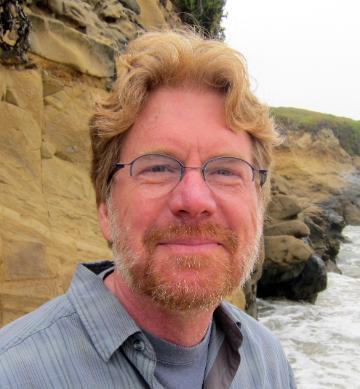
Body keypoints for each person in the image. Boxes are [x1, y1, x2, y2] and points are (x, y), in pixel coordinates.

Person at [0, 30, 296, 388]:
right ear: (105, 209)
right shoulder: (12, 373)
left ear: (259, 206)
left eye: (225, 171)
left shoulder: (268, 361)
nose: (195, 200)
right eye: (158, 168)